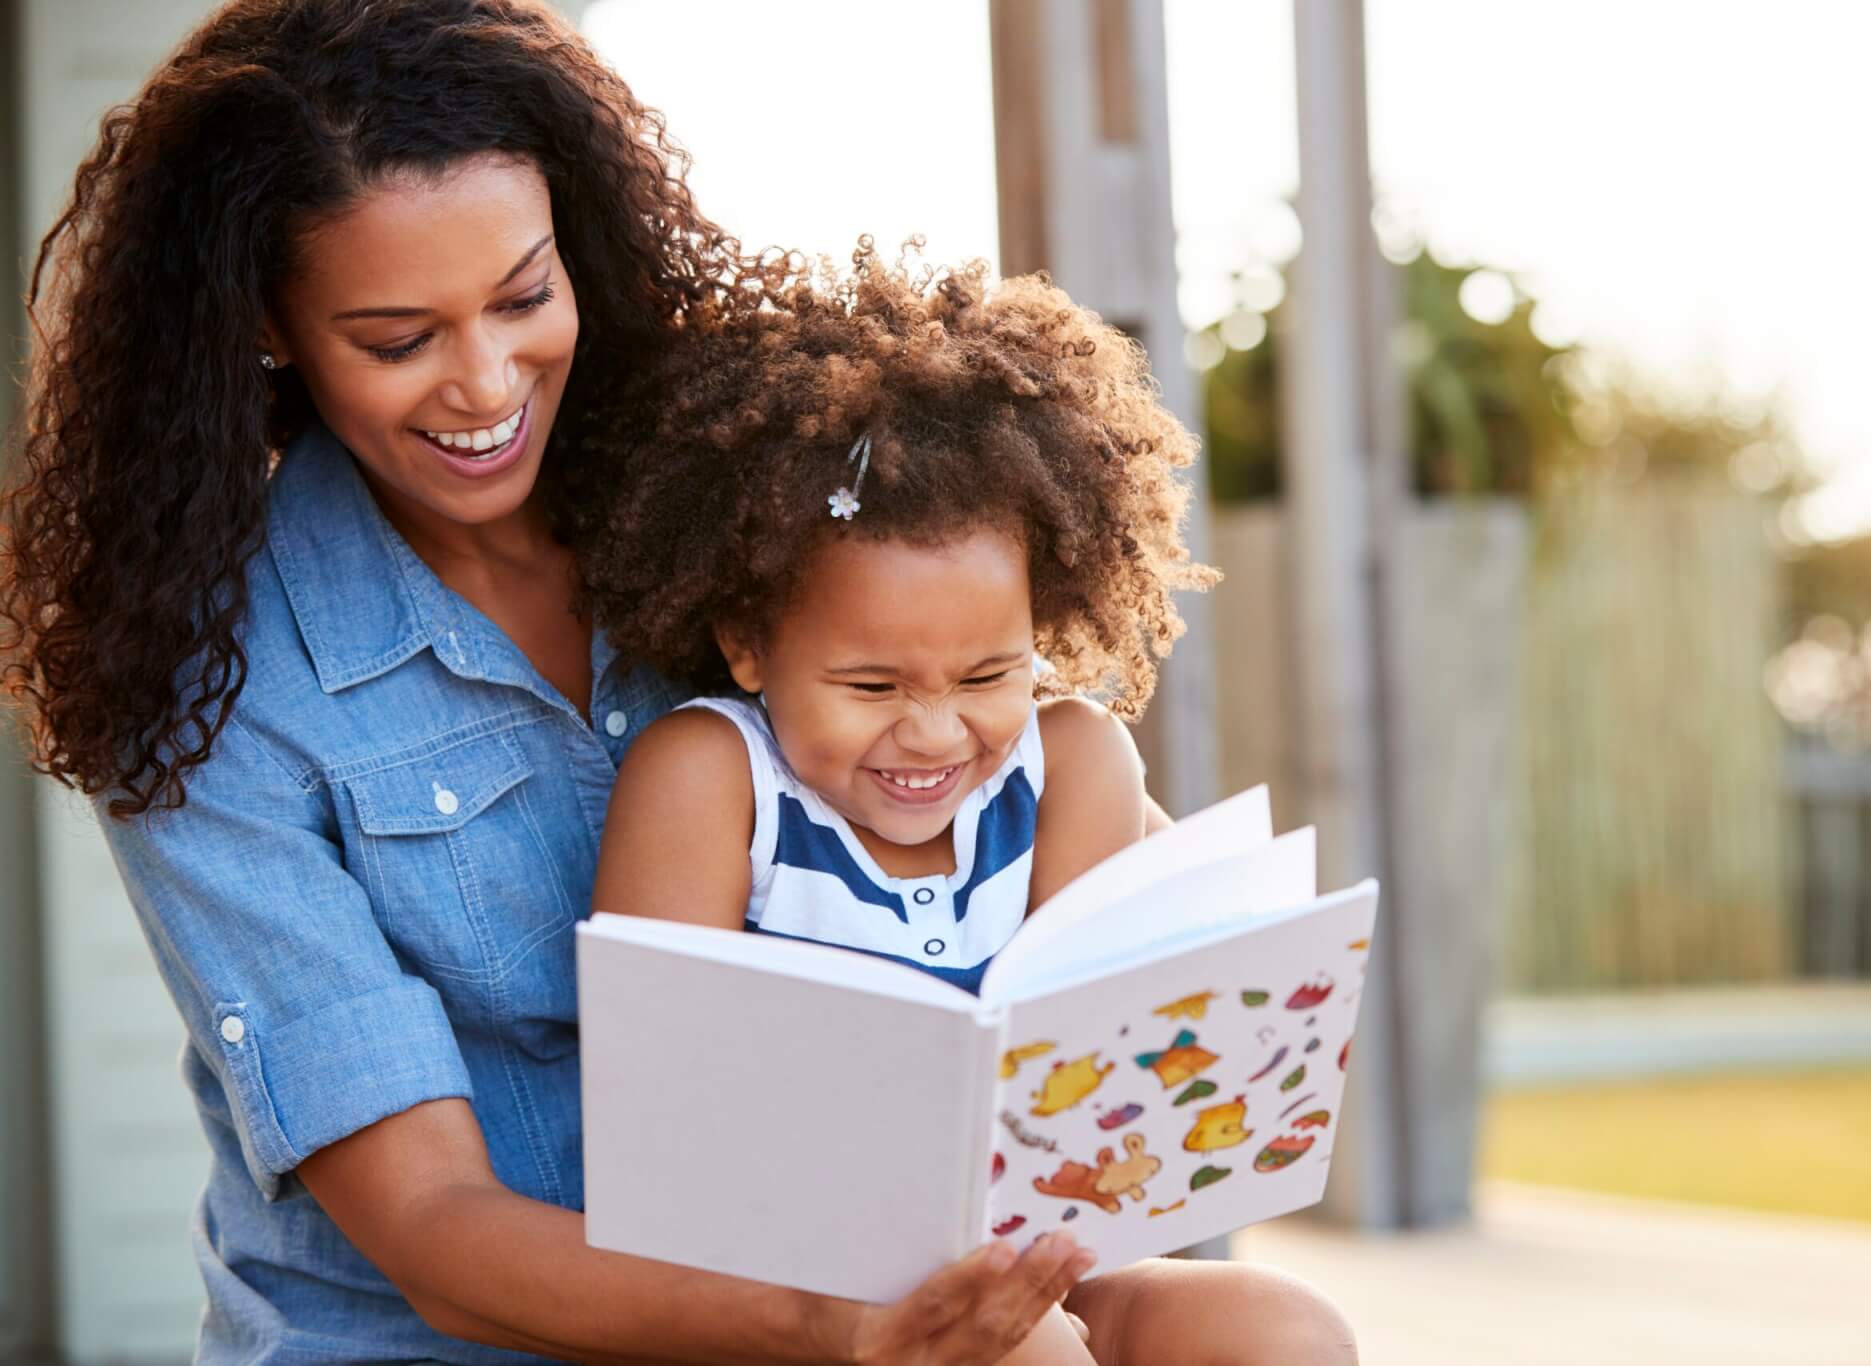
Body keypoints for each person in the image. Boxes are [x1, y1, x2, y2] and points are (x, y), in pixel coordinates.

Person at [0, 2, 1134, 1359]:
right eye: (395, 336)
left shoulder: (737, 515)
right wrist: (837, 1324)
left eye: (525, 296)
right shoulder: (209, 682)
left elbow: (1019, 827)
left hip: (838, 1281)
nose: (487, 381)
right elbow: (435, 1229)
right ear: (267, 327)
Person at [577, 244, 1359, 1365]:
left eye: (987, 676)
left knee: (1282, 1327)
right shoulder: (707, 780)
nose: (935, 732)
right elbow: (661, 1125)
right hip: (795, 1312)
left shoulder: (1074, 761)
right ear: (747, 642)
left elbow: (1101, 1070)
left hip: (1036, 1262)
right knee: (1029, 1351)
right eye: (871, 686)